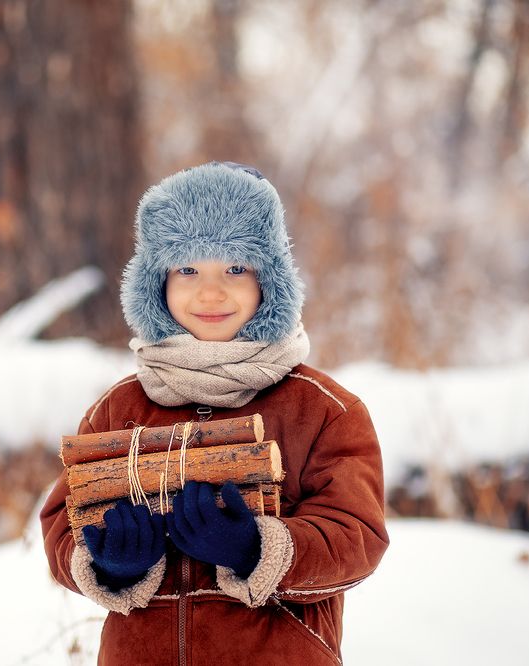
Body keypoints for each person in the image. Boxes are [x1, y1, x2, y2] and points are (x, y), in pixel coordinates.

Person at [40, 161, 388, 665]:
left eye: (234, 268)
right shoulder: (119, 409)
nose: (210, 292)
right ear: (155, 282)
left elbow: (358, 535)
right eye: (187, 269)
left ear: (269, 279)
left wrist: (256, 550)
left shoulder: (323, 410)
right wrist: (110, 563)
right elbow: (61, 525)